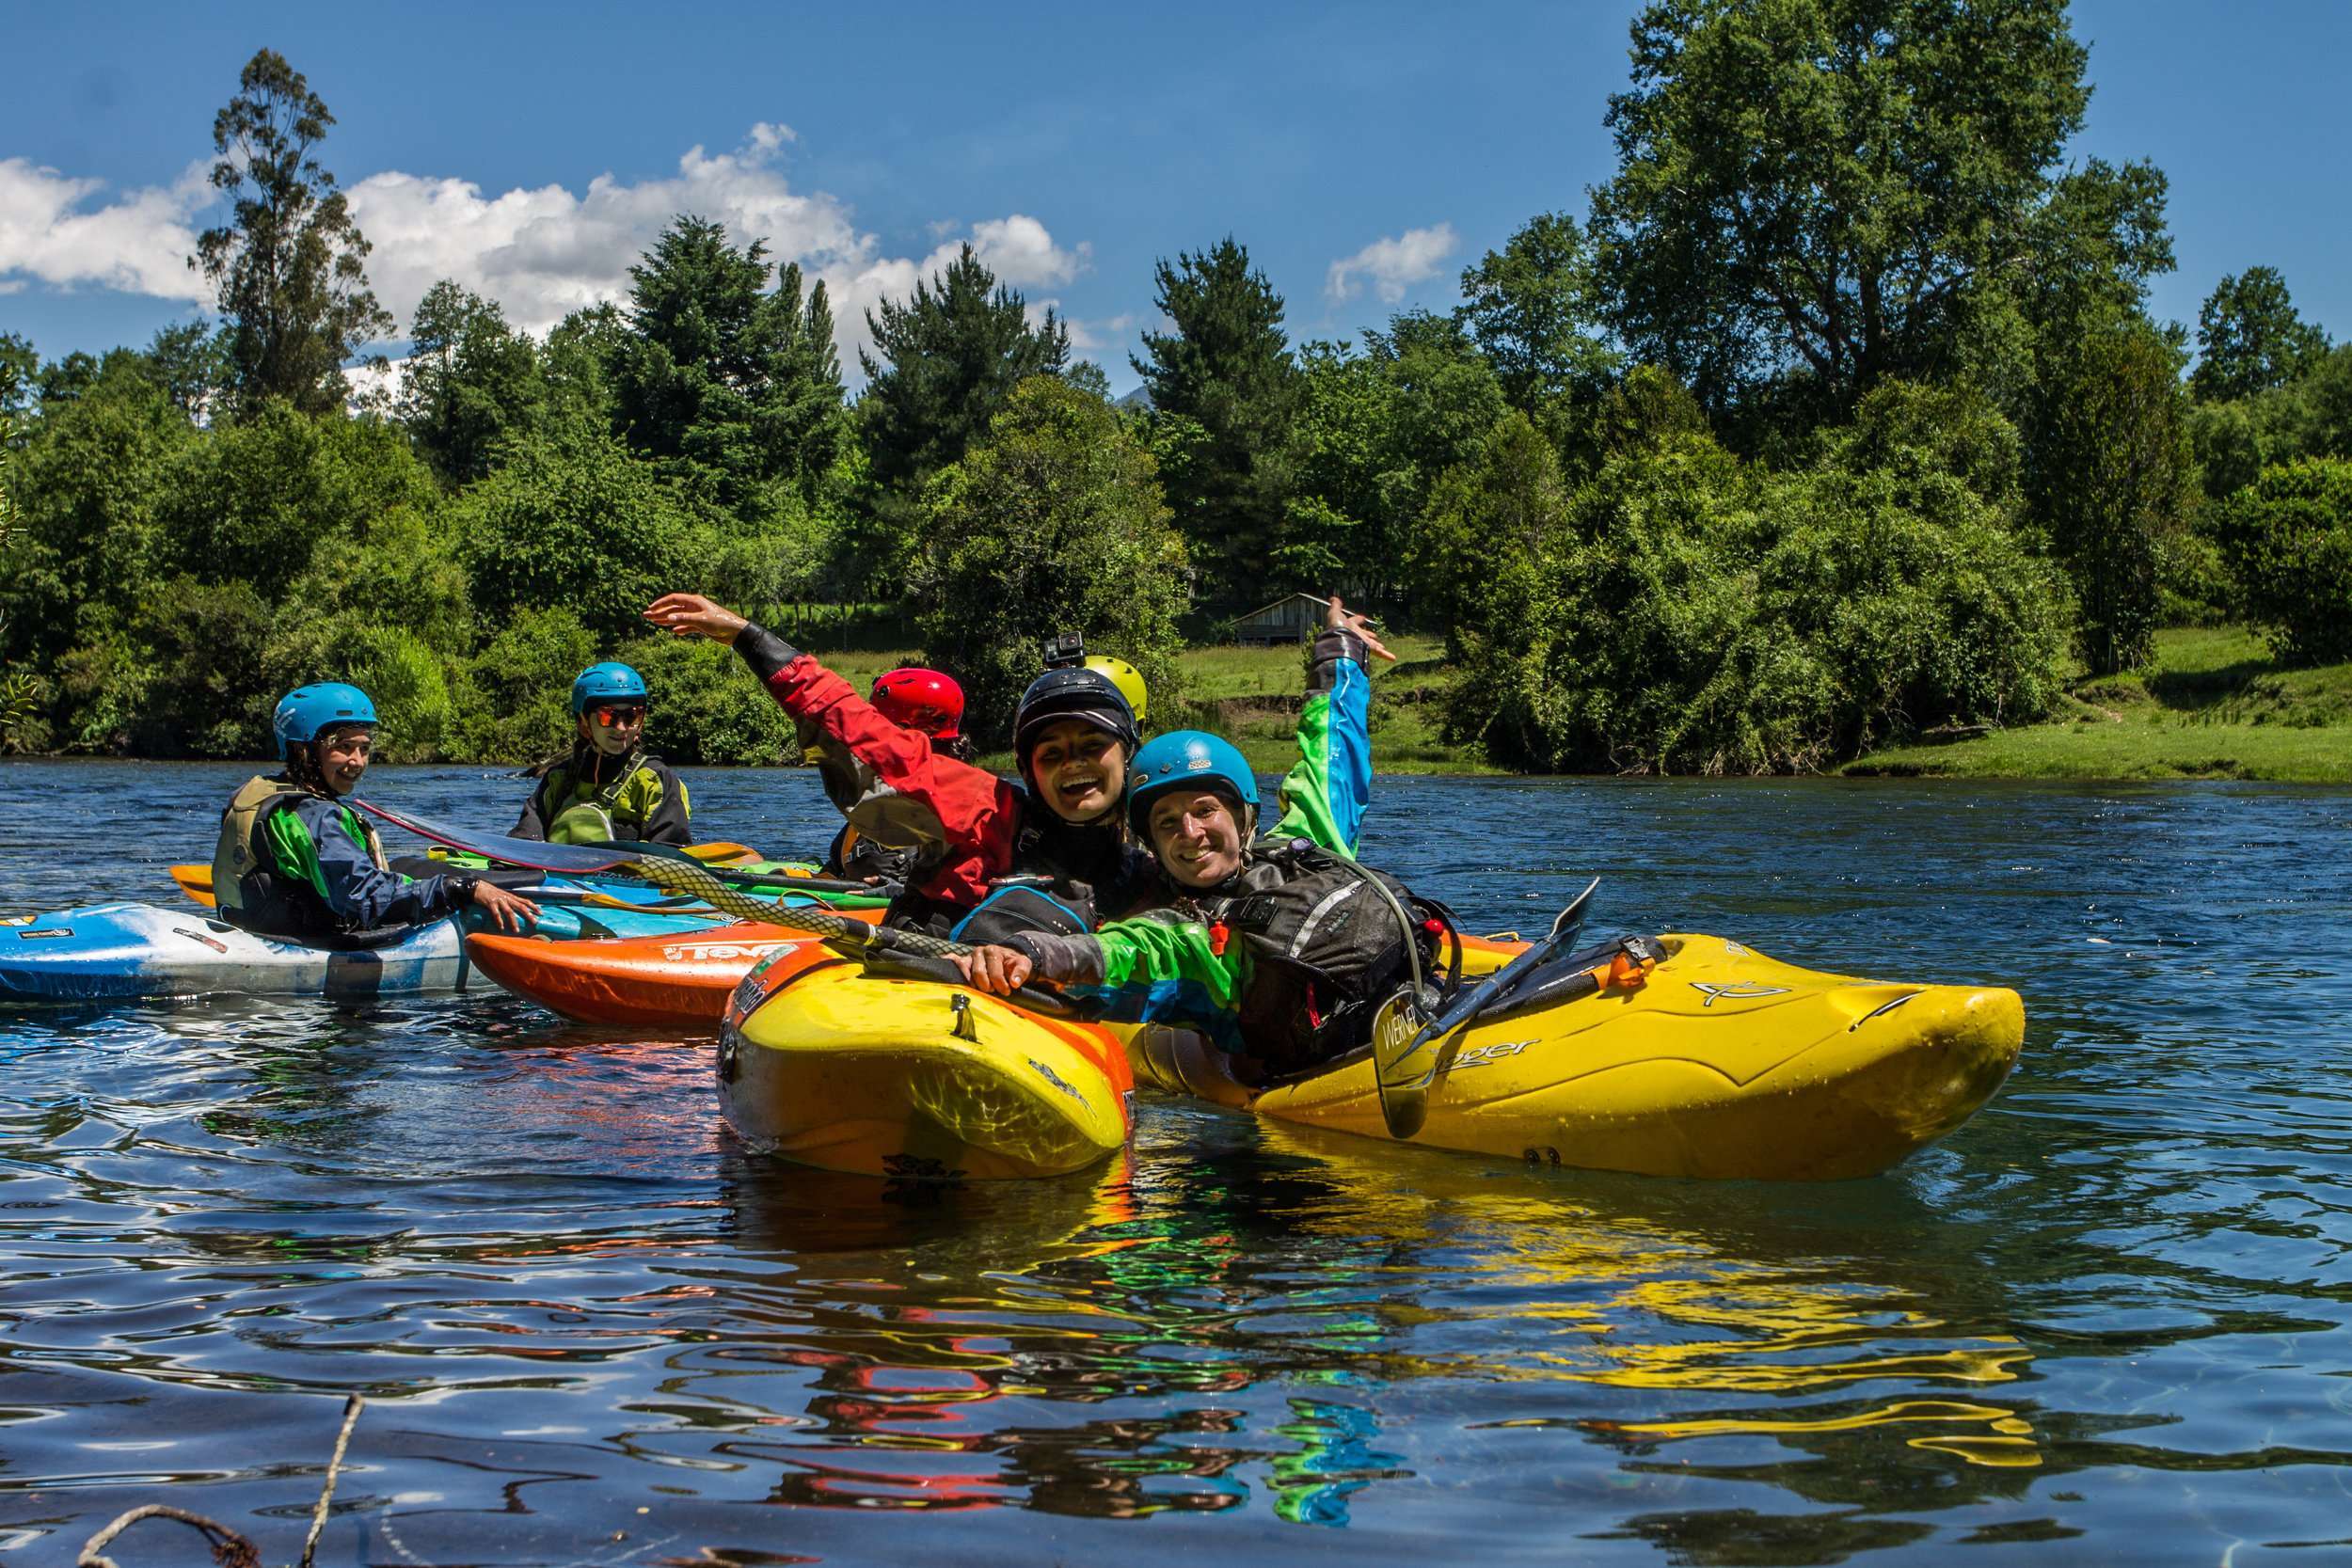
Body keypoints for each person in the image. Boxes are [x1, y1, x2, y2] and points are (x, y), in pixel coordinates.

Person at [952, 603, 1444, 1078]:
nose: (1190, 834)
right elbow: (1123, 953)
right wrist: (1033, 955)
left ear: (1243, 815)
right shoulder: (1184, 935)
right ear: (1153, 845)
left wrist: (1340, 649)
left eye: (1205, 811)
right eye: (1166, 824)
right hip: (1312, 1071)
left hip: (1417, 1013)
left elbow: (1332, 753)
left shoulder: (1309, 843)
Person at [644, 594, 1156, 939]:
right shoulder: (986, 808)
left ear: (1127, 755)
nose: (1074, 766)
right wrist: (750, 638)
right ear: (1028, 768)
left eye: (1092, 746)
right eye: (1052, 753)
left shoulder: (1166, 836)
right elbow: (868, 738)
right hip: (937, 984)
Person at [213, 684, 541, 944]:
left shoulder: (259, 791)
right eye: (342, 747)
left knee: (411, 867)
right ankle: (506, 887)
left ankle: (521, 878)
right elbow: (364, 898)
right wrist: (462, 890)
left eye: (365, 748)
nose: (357, 761)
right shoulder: (313, 816)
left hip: (252, 920)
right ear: (303, 750)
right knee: (450, 884)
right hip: (310, 938)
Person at [814, 667, 977, 883]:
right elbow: (836, 869)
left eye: (879, 731)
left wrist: (901, 892)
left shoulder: (956, 813)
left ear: (910, 737)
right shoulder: (879, 801)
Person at [512, 661, 692, 846]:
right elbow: (524, 841)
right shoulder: (557, 779)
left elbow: (669, 852)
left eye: (632, 716)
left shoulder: (657, 780)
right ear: (583, 722)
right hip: (561, 870)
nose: (621, 728)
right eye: (608, 716)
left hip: (631, 872)